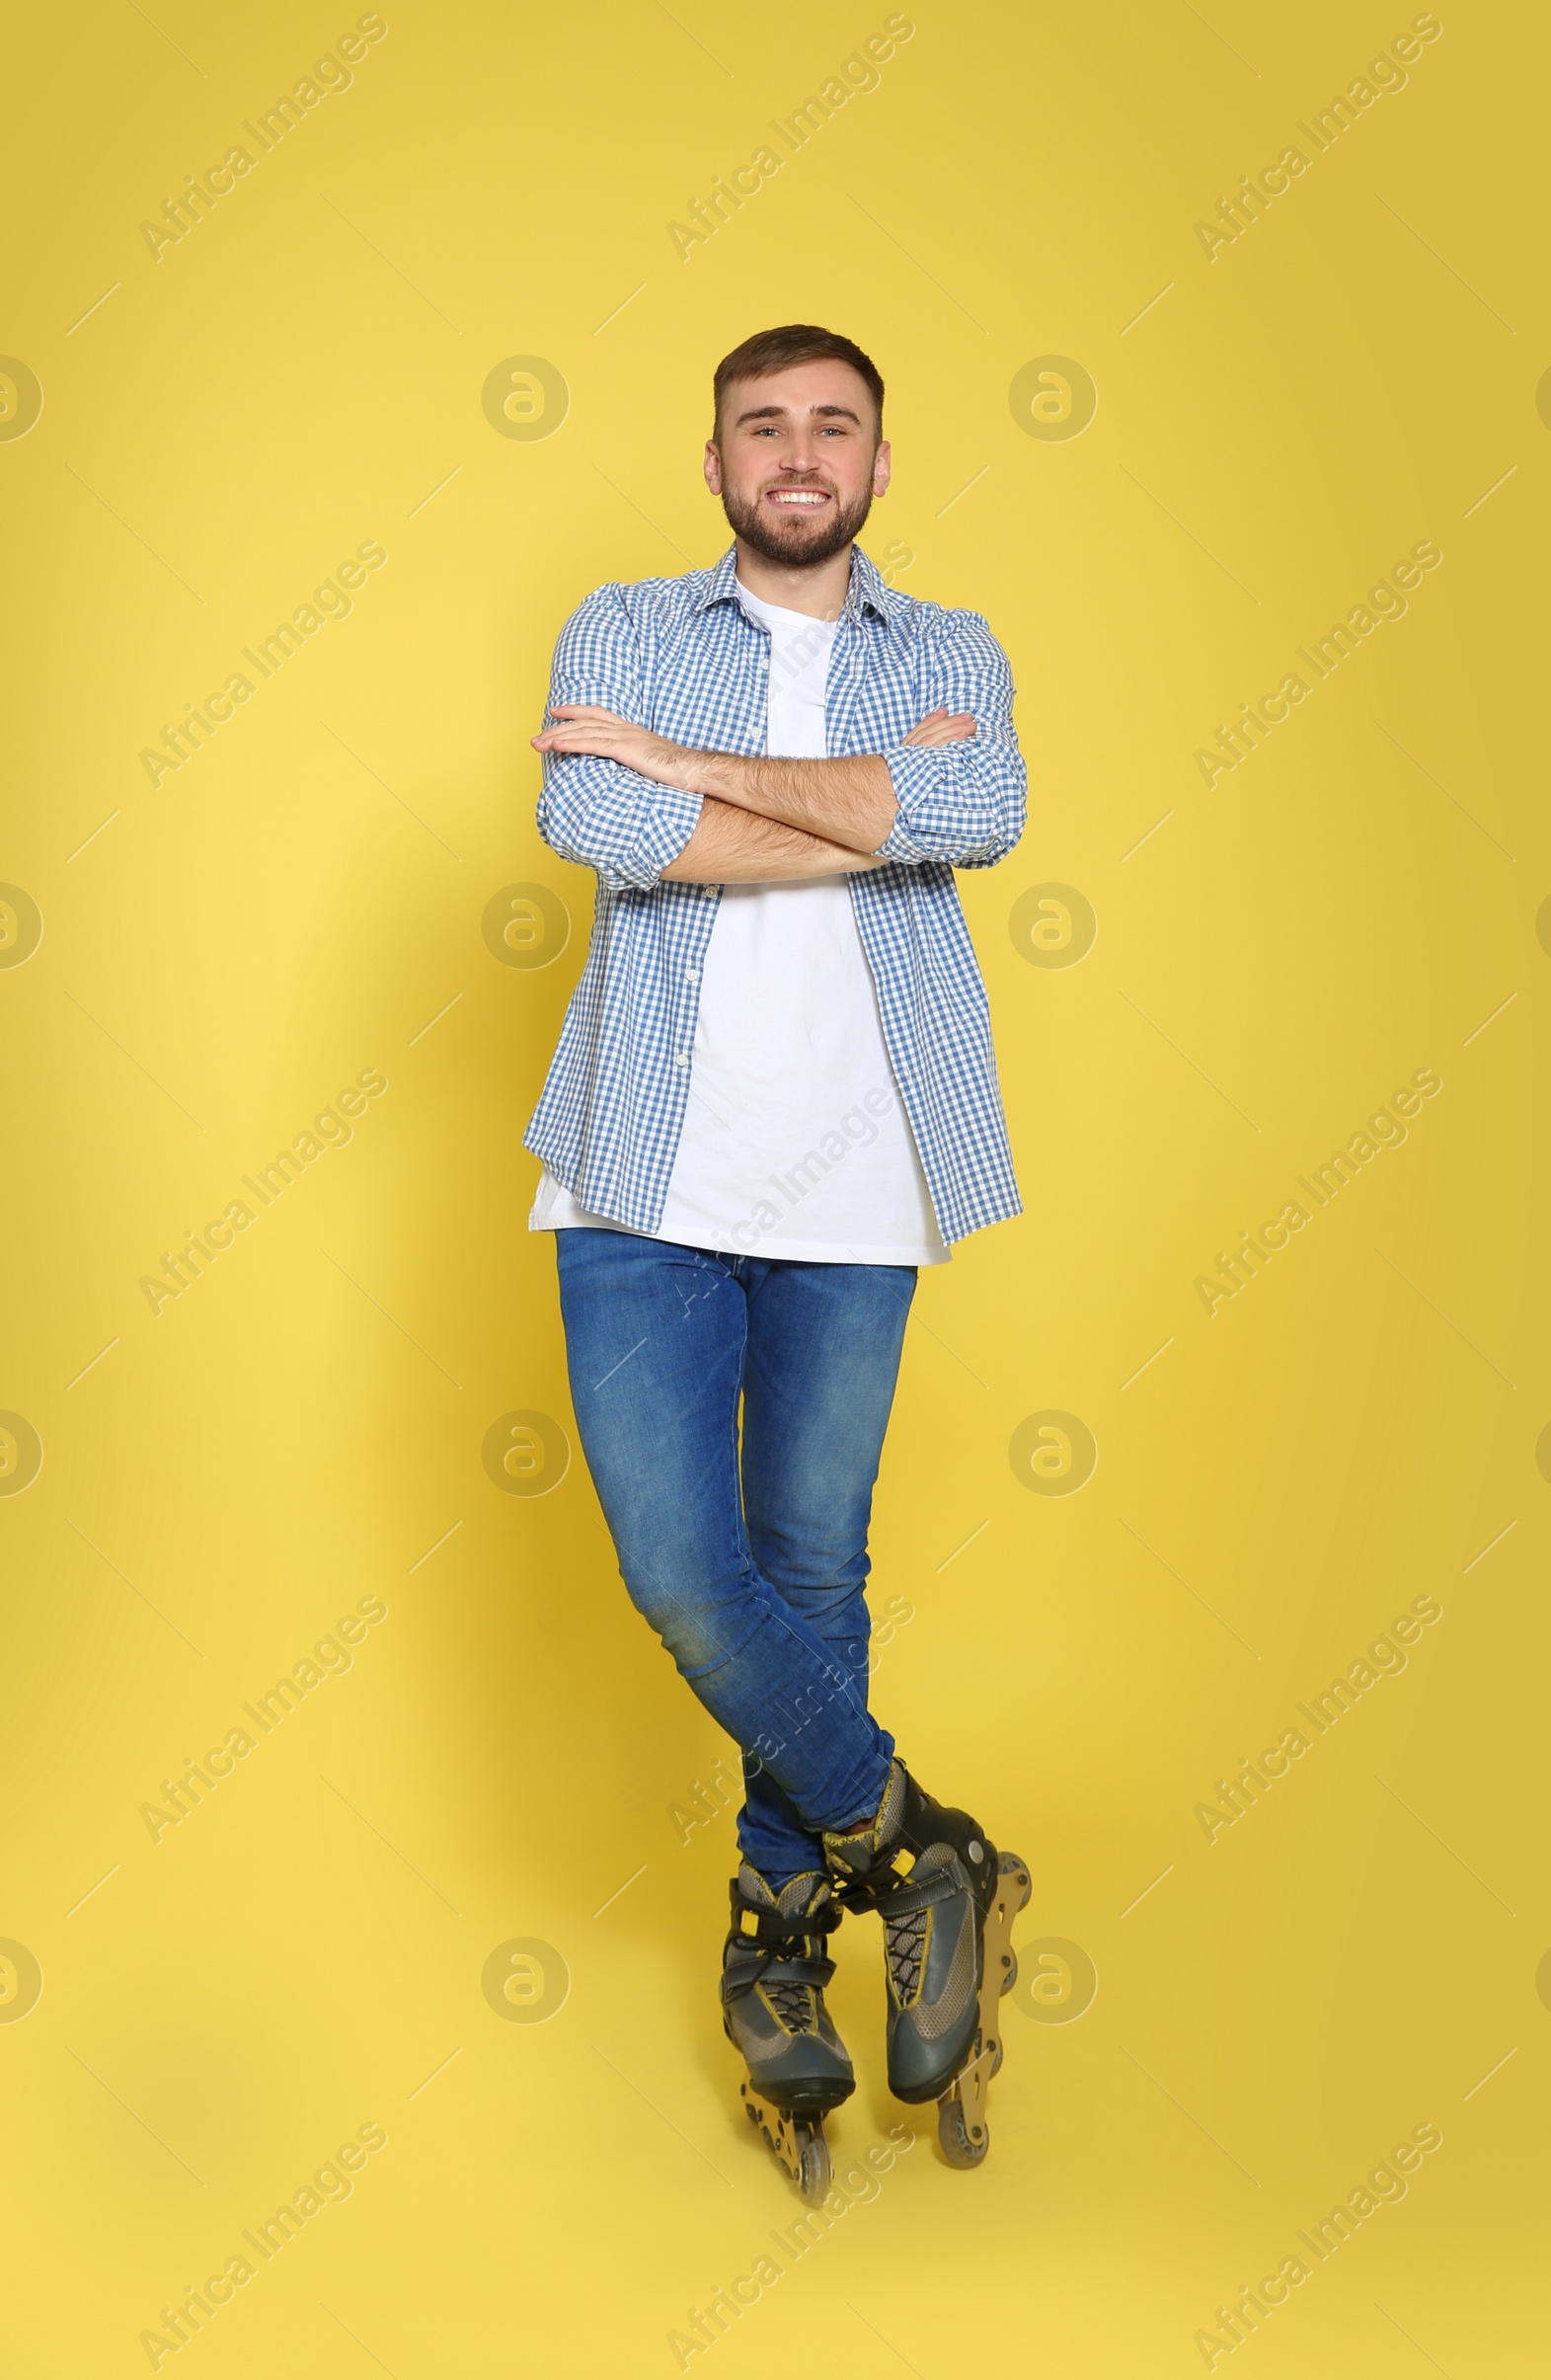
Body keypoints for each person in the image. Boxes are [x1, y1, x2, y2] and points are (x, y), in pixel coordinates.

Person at [525, 324, 1031, 2194]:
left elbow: (977, 812)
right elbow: (602, 825)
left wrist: (696, 782)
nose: (799, 453)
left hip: (867, 1178)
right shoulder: (619, 623)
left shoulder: (950, 652)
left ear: (881, 467)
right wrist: (853, 806)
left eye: (835, 428)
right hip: (643, 1174)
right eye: (765, 427)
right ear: (716, 458)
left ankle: (779, 1933)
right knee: (687, 1567)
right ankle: (927, 1849)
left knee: (815, 1569)